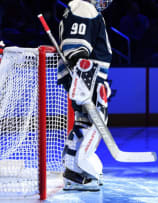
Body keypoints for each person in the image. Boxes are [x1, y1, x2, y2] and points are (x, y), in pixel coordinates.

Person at [58, 0, 113, 191]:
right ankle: (75, 171)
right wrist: (82, 75)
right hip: (86, 73)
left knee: (84, 122)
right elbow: (76, 47)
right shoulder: (84, 7)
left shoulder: (85, 8)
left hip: (86, 74)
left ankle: (74, 171)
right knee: (95, 121)